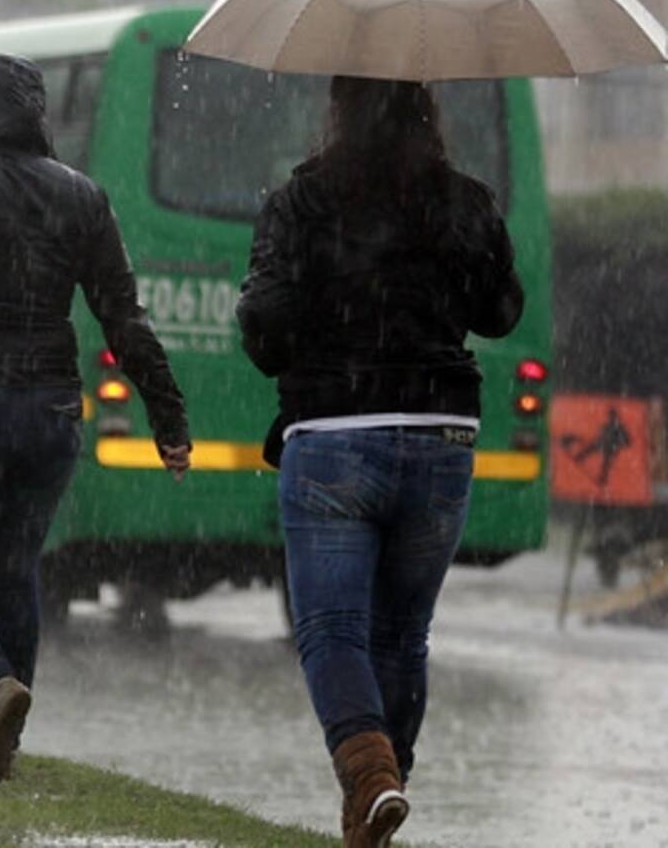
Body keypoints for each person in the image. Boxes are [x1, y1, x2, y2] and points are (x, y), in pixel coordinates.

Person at [0, 53, 192, 794]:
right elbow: (123, 315)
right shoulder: (83, 196)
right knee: (14, 572)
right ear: (37, 116)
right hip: (50, 412)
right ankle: (5, 744)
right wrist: (168, 414)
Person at [236, 75, 524, 847]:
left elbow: (262, 325)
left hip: (334, 432)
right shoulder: (463, 200)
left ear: (336, 110)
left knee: (332, 630)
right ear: (426, 113)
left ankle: (370, 776)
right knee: (403, 636)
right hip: (441, 435)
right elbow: (502, 312)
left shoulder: (303, 201)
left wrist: (314, 326)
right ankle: (378, 799)